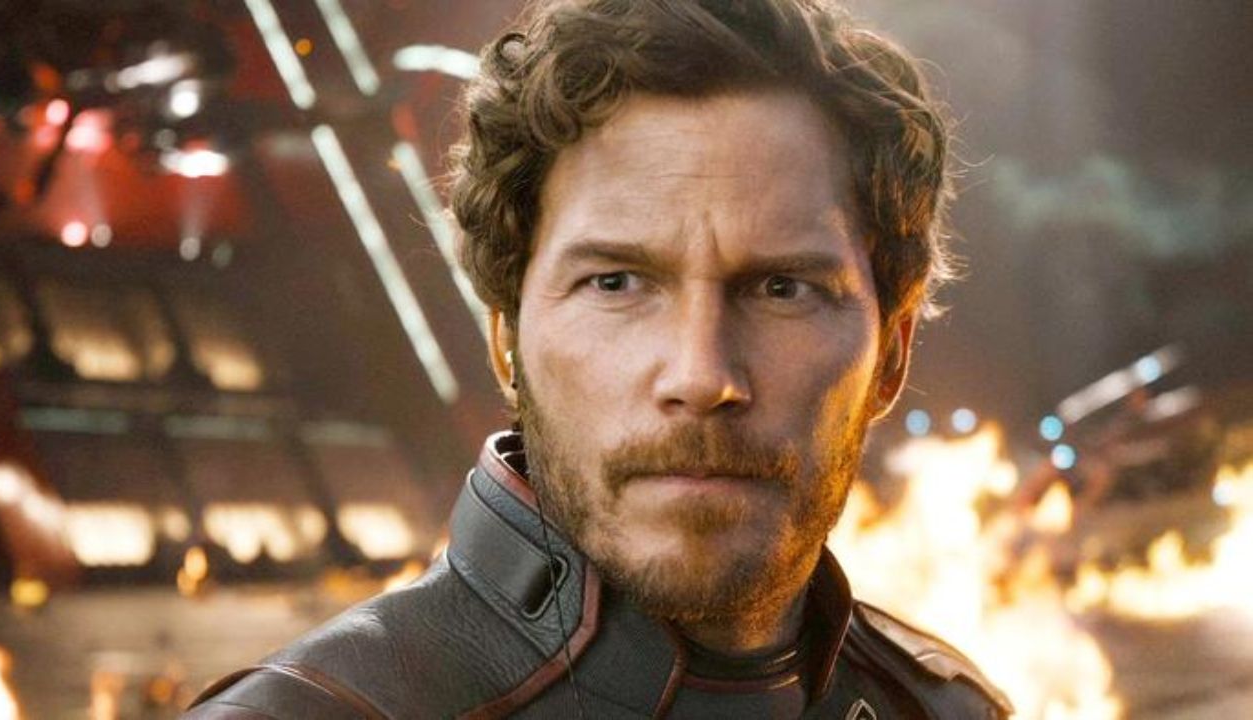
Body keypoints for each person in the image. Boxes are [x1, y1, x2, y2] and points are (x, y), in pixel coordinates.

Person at [187, 0, 1013, 717]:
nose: (700, 375)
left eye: (781, 289)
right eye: (615, 282)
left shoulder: (946, 709)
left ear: (892, 354)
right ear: (506, 340)